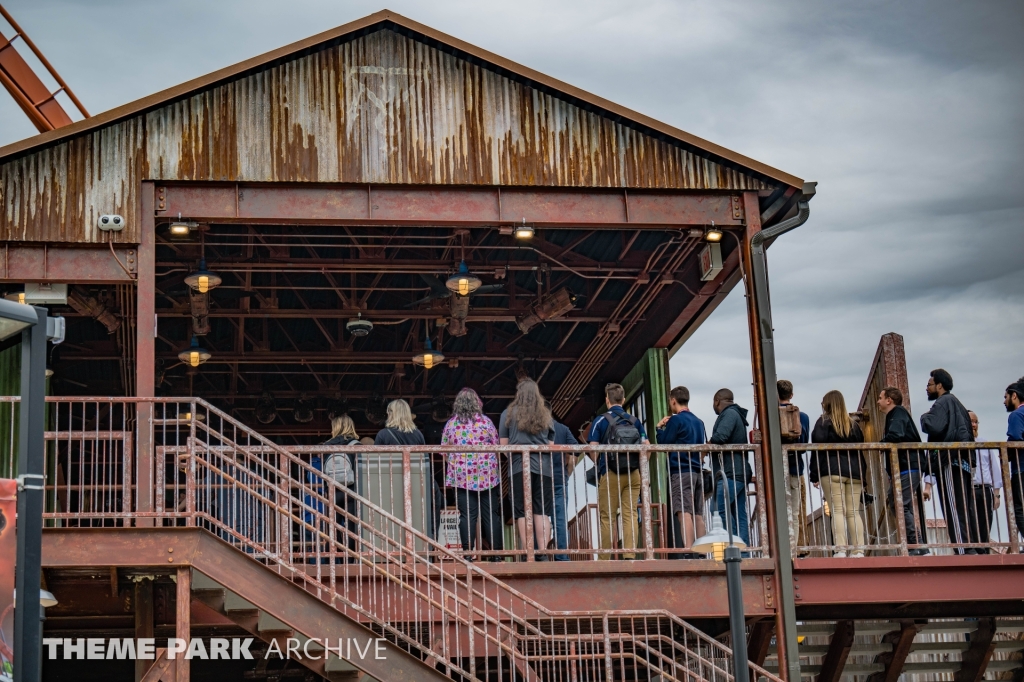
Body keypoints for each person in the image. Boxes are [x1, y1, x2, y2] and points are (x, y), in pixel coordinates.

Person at [919, 369, 978, 554]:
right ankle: (972, 548)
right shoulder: (958, 404)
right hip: (964, 462)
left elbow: (933, 425)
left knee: (953, 508)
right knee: (964, 508)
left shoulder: (943, 402)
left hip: (950, 462)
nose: (926, 388)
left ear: (939, 385)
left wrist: (924, 417)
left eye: (929, 385)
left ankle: (963, 550)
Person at [587, 383, 649, 560]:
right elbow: (646, 446)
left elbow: (593, 448)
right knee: (630, 513)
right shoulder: (635, 421)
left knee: (607, 516)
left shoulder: (600, 420)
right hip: (633, 474)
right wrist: (640, 466)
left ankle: (606, 558)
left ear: (607, 400)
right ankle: (630, 556)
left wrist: (600, 463)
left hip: (611, 472)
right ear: (623, 399)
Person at [441, 388, 503, 559]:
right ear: (477, 403)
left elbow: (444, 451)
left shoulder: (451, 424)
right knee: (491, 515)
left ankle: (468, 554)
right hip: (487, 475)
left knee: (467, 515)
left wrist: (456, 466)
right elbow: (497, 447)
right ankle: (497, 554)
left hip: (462, 476)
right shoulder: (486, 422)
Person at [499, 380, 556, 558]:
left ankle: (528, 552)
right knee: (542, 511)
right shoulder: (545, 414)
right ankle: (543, 552)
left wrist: (516, 458)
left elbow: (503, 445)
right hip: (543, 467)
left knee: (522, 512)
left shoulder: (508, 413)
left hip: (518, 467)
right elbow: (551, 444)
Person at [809, 390, 867, 558]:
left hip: (832, 470)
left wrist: (814, 475)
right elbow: (861, 449)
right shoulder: (853, 424)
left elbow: (817, 450)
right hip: (855, 472)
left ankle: (840, 550)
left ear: (826, 404)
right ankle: (859, 550)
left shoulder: (823, 422)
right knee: (854, 512)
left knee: (838, 511)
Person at [656, 386, 707, 556]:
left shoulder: (676, 421)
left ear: (673, 401)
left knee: (684, 512)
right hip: (698, 472)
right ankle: (702, 552)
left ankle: (688, 551)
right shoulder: (699, 422)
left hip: (681, 471)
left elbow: (664, 444)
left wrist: (659, 428)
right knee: (698, 513)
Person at [877, 387, 928, 555]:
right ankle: (918, 544)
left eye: (880, 398)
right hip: (904, 467)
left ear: (889, 400)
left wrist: (881, 444)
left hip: (908, 466)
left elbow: (896, 435)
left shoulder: (898, 412)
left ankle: (916, 545)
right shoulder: (894, 415)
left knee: (899, 504)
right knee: (900, 503)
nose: (878, 401)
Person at [708, 389, 752, 547]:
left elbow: (721, 437)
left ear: (717, 401)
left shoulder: (729, 414)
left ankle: (734, 546)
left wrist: (708, 445)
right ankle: (743, 552)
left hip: (730, 473)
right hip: (738, 472)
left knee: (719, 510)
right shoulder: (735, 414)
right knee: (739, 514)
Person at [777, 380, 810, 555]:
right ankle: (793, 548)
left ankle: (780, 548)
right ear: (791, 395)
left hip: (775, 471)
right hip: (795, 468)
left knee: (776, 510)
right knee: (795, 512)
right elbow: (804, 445)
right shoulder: (802, 417)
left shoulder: (770, 415)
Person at [323, 414, 362, 557]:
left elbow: (324, 472)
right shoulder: (357, 446)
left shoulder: (326, 446)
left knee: (332, 527)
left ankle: (331, 559)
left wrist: (326, 490)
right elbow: (361, 471)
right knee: (353, 529)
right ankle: (352, 559)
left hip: (333, 491)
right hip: (352, 491)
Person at [968, 411, 1002, 554]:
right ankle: (974, 552)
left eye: (976, 422)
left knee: (985, 524)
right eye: (971, 421)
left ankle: (984, 553)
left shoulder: (984, 443)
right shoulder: (959, 444)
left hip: (985, 489)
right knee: (971, 525)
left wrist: (996, 495)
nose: (974, 425)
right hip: (969, 489)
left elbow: (995, 470)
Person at [551, 420, 577, 561]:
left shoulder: (535, 425)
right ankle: (562, 555)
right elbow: (575, 452)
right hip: (559, 478)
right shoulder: (562, 428)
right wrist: (568, 472)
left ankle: (537, 554)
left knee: (537, 516)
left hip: (540, 477)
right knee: (560, 520)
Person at [1006, 378, 1024, 548]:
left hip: (1021, 470)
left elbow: (1015, 438)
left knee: (1019, 508)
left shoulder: (1017, 415)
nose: (1004, 401)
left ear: (1014, 396)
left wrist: (1006, 455)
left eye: (1006, 397)